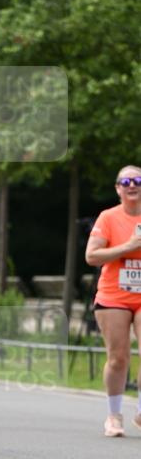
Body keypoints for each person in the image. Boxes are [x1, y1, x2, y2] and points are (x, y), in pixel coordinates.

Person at [85, 164, 141, 436]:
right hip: (114, 295)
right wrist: (128, 246)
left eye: (138, 180)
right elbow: (91, 256)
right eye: (126, 181)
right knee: (118, 358)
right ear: (118, 189)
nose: (133, 185)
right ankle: (114, 415)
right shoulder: (108, 217)